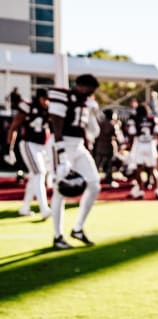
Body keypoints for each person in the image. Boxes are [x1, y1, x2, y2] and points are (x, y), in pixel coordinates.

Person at [49, 73, 101, 249]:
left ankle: (77, 228)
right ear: (80, 86)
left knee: (94, 184)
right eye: (89, 90)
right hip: (62, 145)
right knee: (60, 190)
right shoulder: (64, 96)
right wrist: (61, 153)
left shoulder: (86, 103)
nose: (90, 94)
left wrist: (93, 112)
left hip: (78, 147)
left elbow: (90, 130)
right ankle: (57, 237)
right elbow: (56, 124)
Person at [4, 88, 52, 219]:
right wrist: (9, 148)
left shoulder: (48, 109)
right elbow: (14, 127)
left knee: (35, 176)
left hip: (42, 146)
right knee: (39, 173)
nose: (46, 102)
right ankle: (44, 208)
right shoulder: (28, 107)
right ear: (39, 98)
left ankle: (25, 207)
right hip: (29, 144)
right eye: (44, 99)